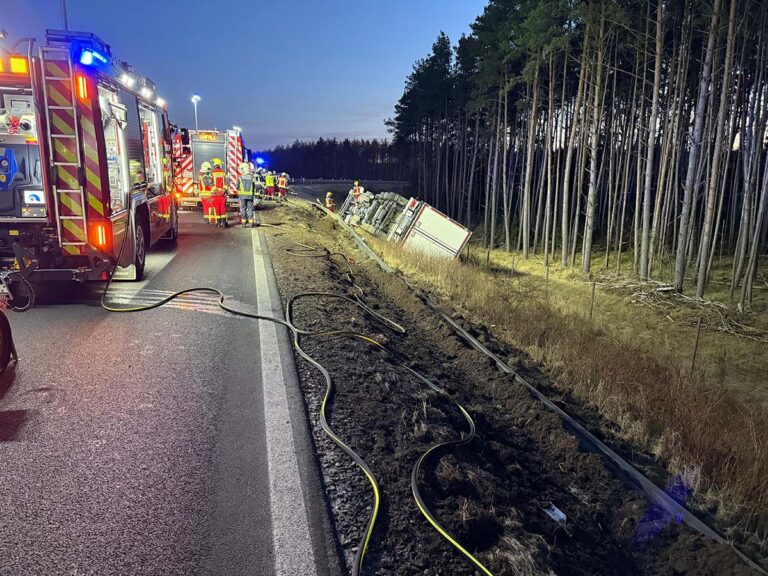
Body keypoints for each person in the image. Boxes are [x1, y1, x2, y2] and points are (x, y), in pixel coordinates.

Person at [235, 162, 257, 227]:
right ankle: (251, 223)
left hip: (242, 196)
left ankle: (244, 223)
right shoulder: (252, 178)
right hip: (250, 196)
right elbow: (254, 186)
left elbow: (237, 187)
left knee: (243, 209)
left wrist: (240, 190)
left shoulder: (240, 178)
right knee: (250, 209)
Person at [211, 158, 228, 227]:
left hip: (215, 194)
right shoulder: (224, 173)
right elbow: (227, 182)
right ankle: (224, 223)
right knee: (223, 208)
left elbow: (210, 183)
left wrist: (215, 190)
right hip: (222, 194)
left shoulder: (212, 173)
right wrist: (223, 190)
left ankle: (218, 223)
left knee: (216, 208)